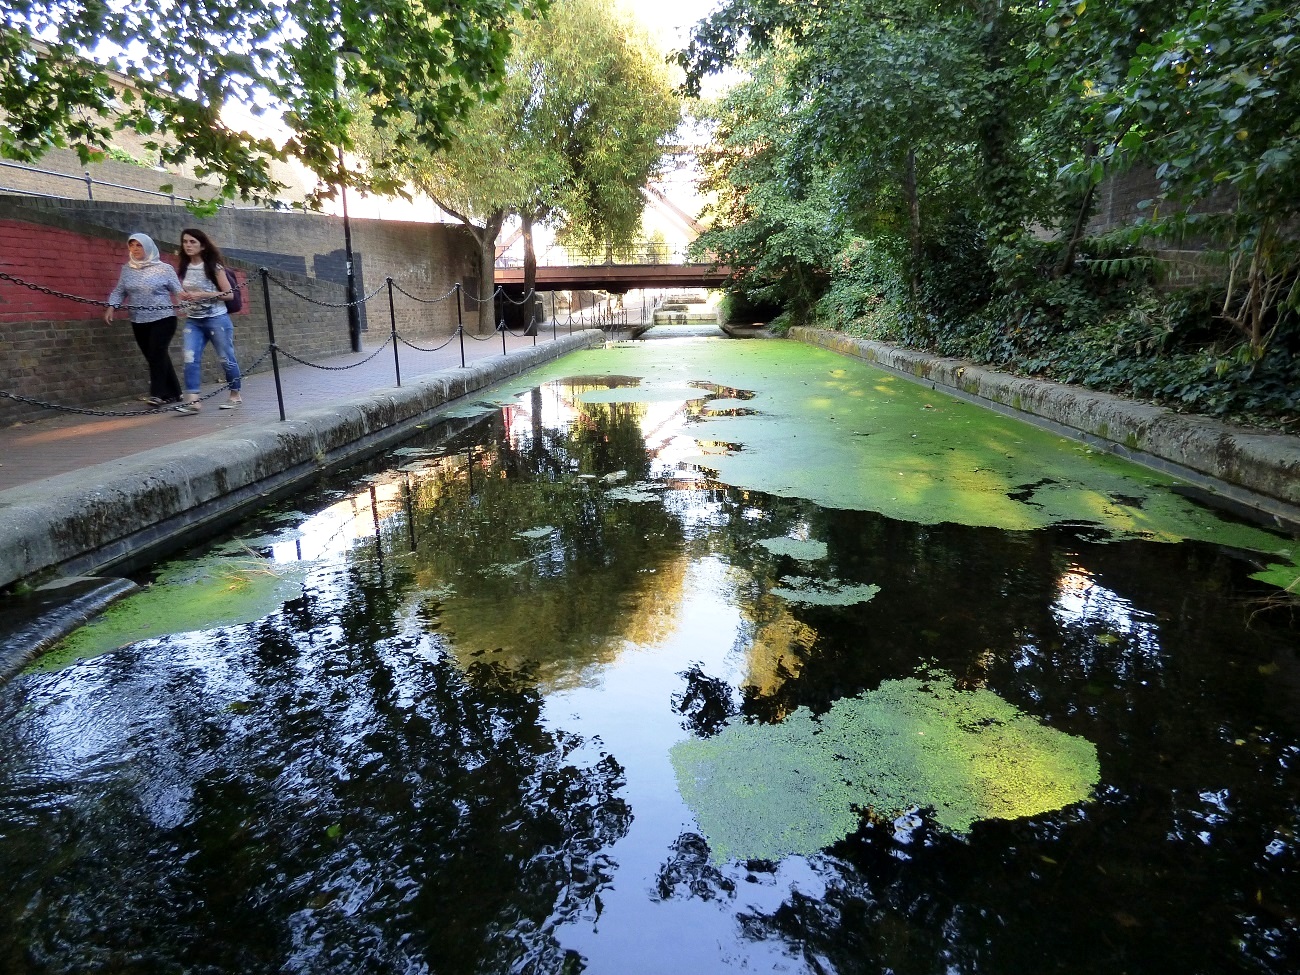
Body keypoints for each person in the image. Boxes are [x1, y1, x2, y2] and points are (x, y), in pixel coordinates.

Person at [105, 232, 184, 405]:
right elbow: (120, 291)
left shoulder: (164, 269)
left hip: (163, 318)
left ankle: (157, 394)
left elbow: (178, 291)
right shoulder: (127, 269)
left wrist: (186, 304)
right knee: (155, 355)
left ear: (148, 246)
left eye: (139, 245)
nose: (135, 249)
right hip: (138, 320)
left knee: (156, 353)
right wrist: (112, 306)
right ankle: (175, 393)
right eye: (131, 245)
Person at [175, 228, 242, 414]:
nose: (188, 245)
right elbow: (186, 291)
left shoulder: (214, 267)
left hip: (216, 319)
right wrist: (184, 300)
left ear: (202, 245)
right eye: (185, 242)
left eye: (192, 242)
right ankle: (193, 401)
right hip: (193, 320)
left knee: (226, 358)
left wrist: (202, 294)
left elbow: (229, 295)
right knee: (190, 358)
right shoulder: (184, 267)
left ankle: (235, 395)